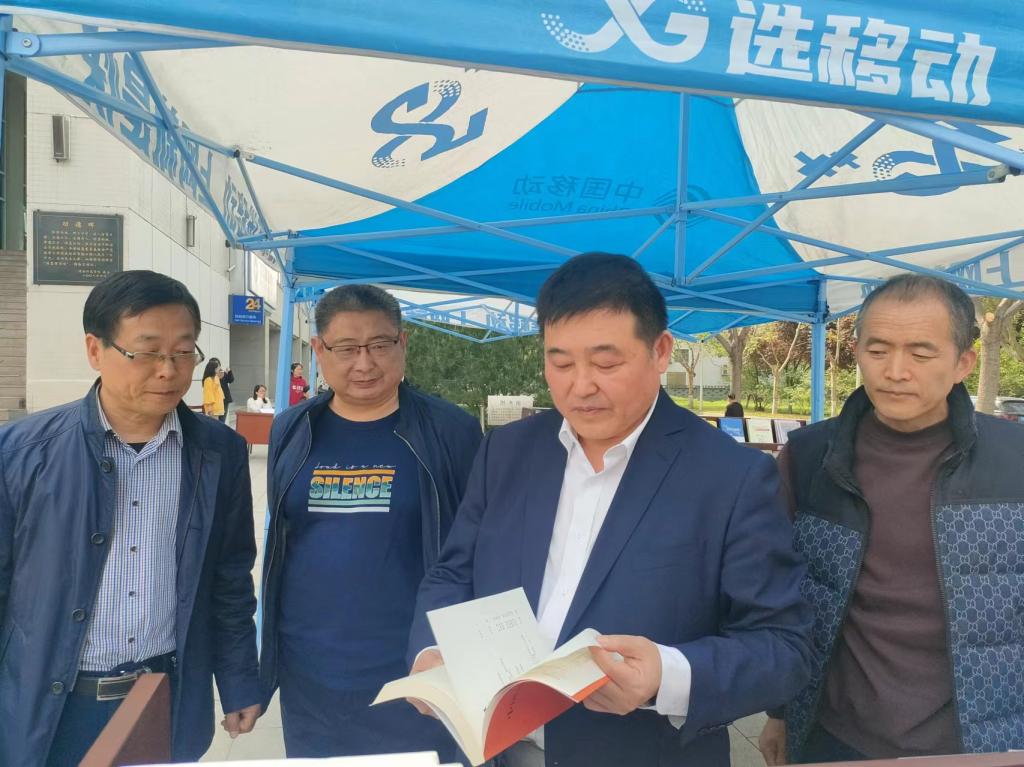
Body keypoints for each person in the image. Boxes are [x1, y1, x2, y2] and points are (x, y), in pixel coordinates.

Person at [409, 253, 813, 767]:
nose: (581, 386)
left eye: (606, 364)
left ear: (660, 351)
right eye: (560, 363)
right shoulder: (507, 452)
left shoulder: (731, 477)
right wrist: (432, 650)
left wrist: (667, 674)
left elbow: (783, 646)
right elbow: (453, 573)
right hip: (494, 751)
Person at [759, 273, 1024, 765]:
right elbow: (779, 593)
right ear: (857, 352)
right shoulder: (810, 457)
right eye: (878, 350)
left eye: (921, 354)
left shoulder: (1015, 460)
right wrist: (779, 710)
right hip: (833, 733)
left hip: (983, 739)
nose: (895, 371)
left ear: (963, 363)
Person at [0, 270, 262, 767]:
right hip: (51, 706)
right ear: (95, 350)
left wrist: (238, 680)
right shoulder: (20, 453)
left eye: (183, 352)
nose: (168, 370)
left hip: (164, 700)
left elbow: (229, 579)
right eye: (146, 352)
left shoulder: (218, 453)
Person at [259, 284, 483, 759]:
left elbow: (477, 551)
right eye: (346, 348)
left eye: (380, 345)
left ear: (403, 343)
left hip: (415, 669)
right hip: (310, 674)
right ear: (319, 350)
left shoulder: (452, 432)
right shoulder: (293, 429)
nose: (364, 363)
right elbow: (283, 542)